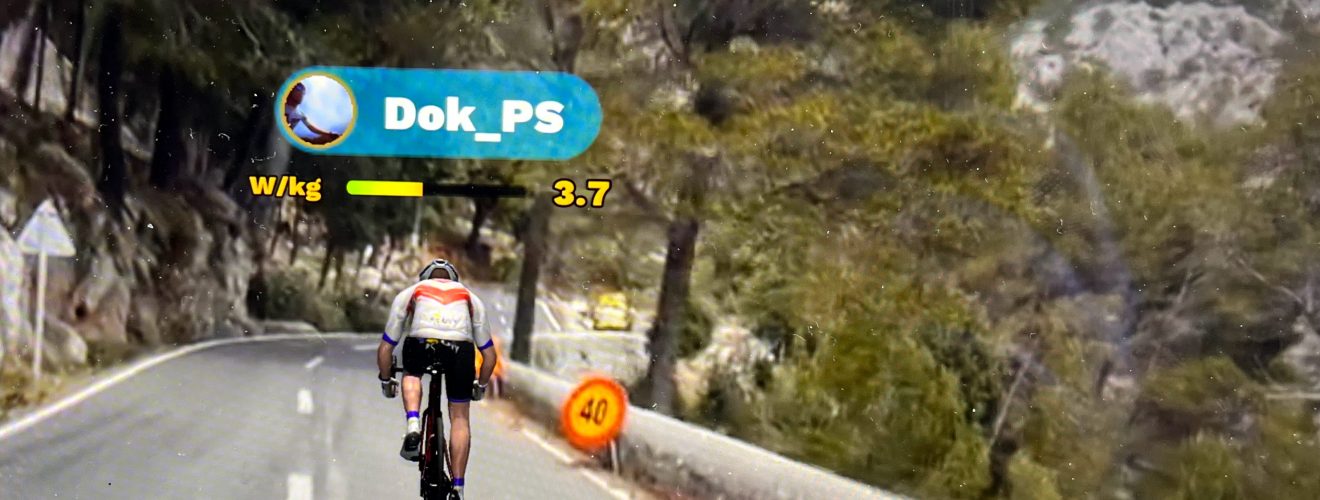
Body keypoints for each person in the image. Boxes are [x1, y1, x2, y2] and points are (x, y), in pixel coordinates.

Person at [376, 259, 497, 500]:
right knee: (460, 418)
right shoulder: (470, 298)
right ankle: (458, 489)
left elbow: (385, 348)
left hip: (421, 343)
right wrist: (481, 385)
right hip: (460, 351)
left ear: (425, 278)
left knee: (412, 374)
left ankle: (413, 424)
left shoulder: (412, 292)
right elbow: (490, 356)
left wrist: (386, 380)